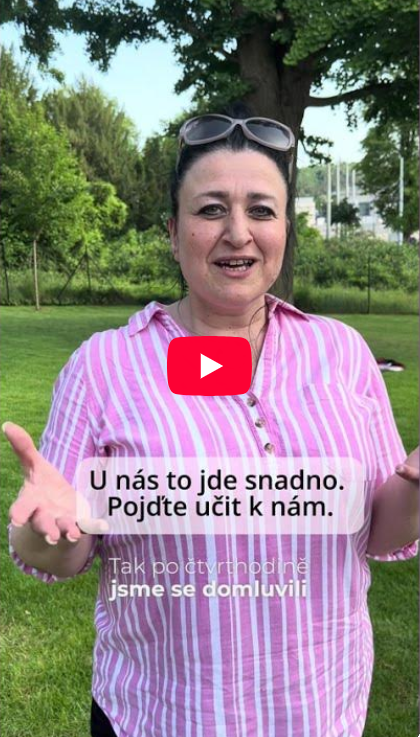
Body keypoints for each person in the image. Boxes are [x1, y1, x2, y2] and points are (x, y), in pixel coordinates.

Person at [6, 103, 419, 737]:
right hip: (161, 717)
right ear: (174, 233)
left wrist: (415, 488)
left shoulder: (342, 351)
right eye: (211, 209)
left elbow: (380, 533)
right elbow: (58, 553)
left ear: (285, 230)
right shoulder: (105, 366)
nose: (238, 232)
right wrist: (48, 531)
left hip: (324, 711)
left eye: (262, 210)